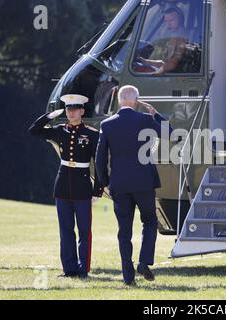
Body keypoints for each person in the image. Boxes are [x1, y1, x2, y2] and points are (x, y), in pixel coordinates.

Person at [95, 85, 172, 286]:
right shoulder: (145, 120)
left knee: (124, 231)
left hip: (119, 184)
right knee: (150, 222)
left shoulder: (107, 124)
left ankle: (128, 276)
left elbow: (100, 157)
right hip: (144, 182)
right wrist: (156, 115)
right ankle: (144, 261)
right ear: (136, 100)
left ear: (119, 101)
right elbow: (171, 134)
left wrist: (104, 183)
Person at [29, 94, 103, 279]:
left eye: (75, 109)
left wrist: (97, 190)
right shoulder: (59, 130)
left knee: (84, 231)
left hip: (83, 186)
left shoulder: (92, 134)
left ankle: (82, 269)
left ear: (82, 111)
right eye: (68, 109)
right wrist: (49, 116)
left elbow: (100, 164)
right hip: (62, 186)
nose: (71, 113)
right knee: (66, 230)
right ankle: (69, 269)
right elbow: (34, 130)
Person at [137, 7, 187, 75]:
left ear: (180, 20)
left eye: (171, 20)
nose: (168, 24)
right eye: (166, 21)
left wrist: (156, 73)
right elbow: (164, 63)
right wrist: (145, 61)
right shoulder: (174, 37)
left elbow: (172, 64)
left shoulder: (181, 39)